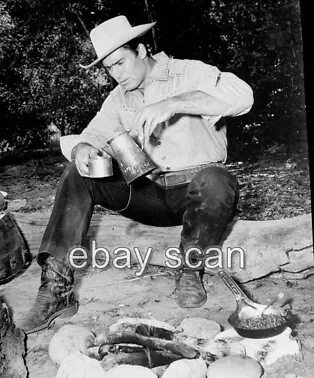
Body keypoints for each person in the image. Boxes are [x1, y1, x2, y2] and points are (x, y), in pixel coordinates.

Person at [20, 15, 254, 334]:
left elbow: (243, 97)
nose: (117, 74)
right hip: (147, 193)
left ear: (142, 50)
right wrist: (80, 151)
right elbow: (89, 136)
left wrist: (177, 103)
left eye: (121, 63)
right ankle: (55, 288)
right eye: (110, 69)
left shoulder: (187, 72)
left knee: (217, 179)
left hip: (198, 195)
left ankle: (190, 269)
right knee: (79, 171)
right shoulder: (119, 98)